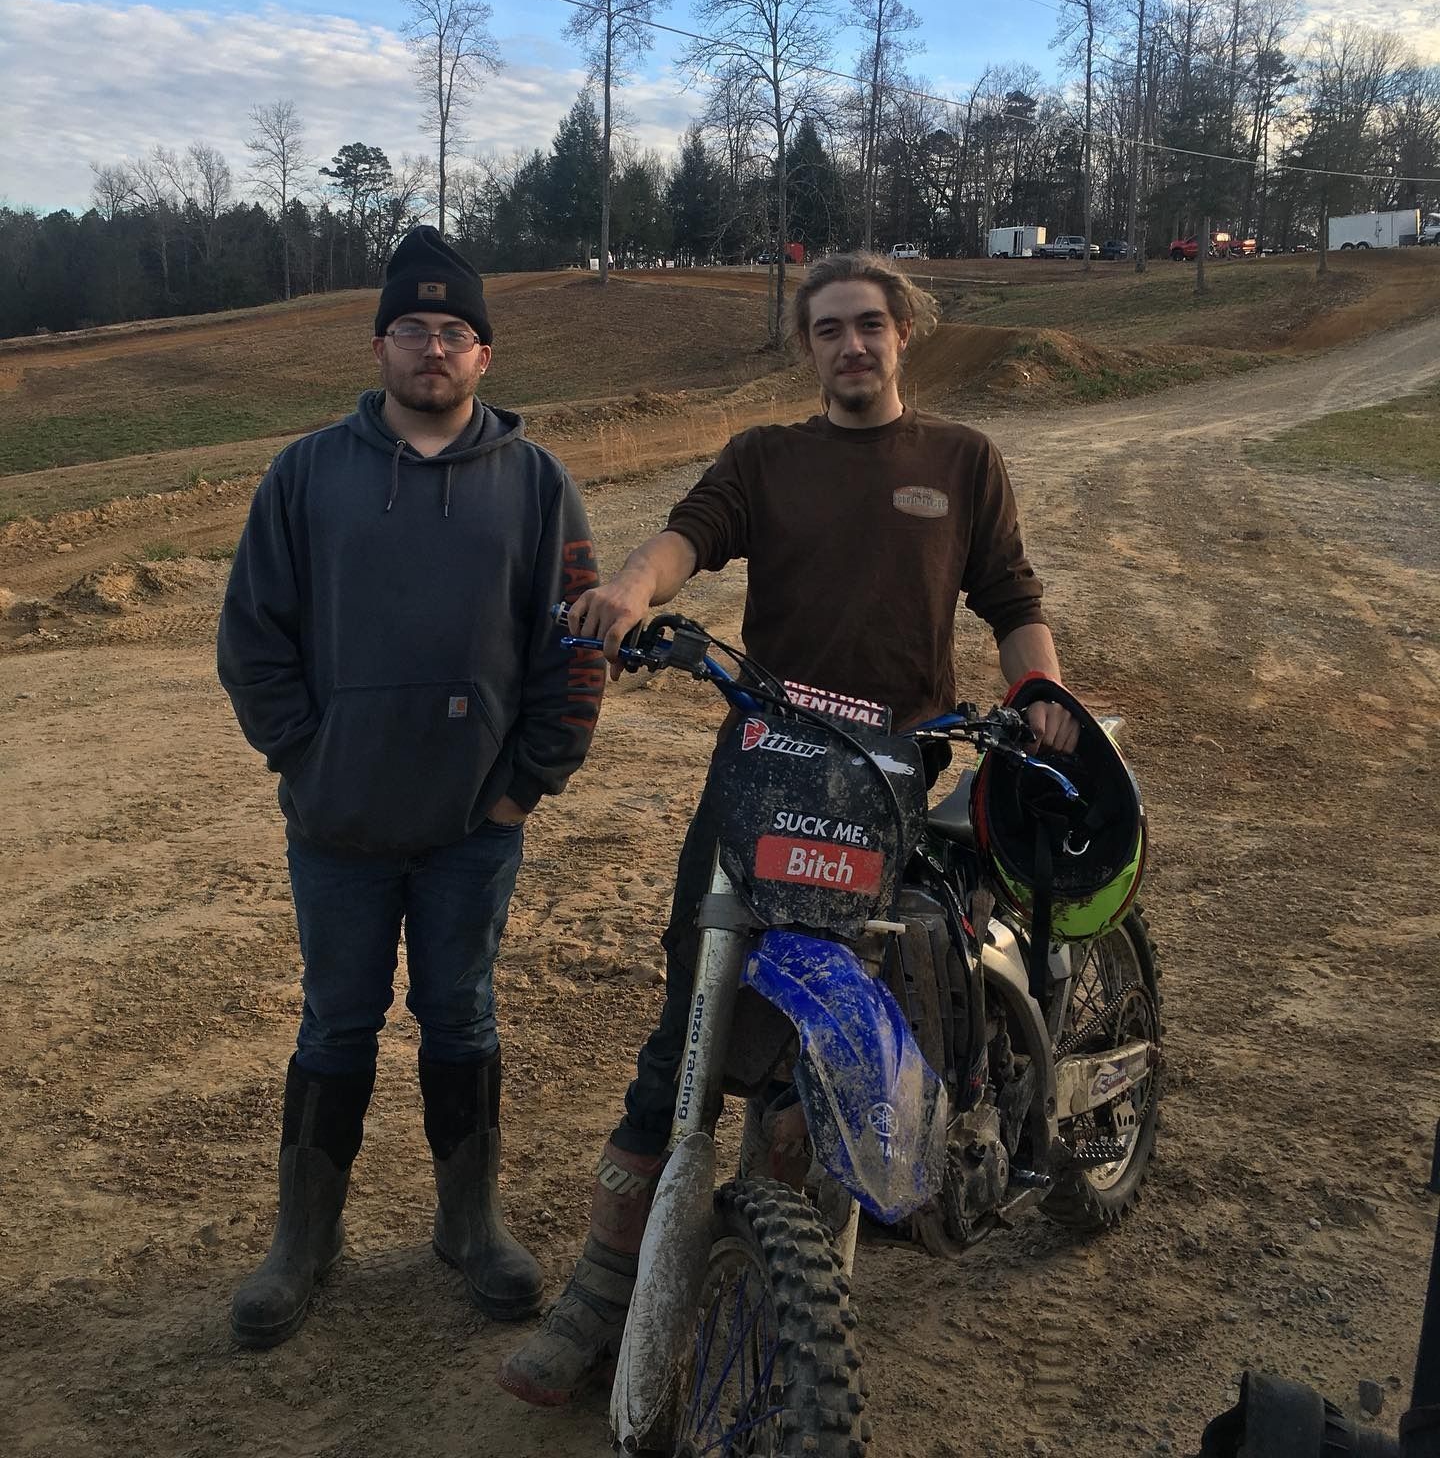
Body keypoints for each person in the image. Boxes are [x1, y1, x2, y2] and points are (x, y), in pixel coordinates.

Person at [499, 250, 1076, 1405]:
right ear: (807, 345)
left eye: (871, 325)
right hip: (762, 771)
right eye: (830, 330)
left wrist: (1043, 700)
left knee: (838, 1029)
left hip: (893, 786)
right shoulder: (766, 458)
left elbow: (1012, 601)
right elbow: (688, 534)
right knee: (690, 1025)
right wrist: (629, 589)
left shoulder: (964, 462)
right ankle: (601, 1298)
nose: (852, 347)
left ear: (903, 333)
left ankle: (774, 1279)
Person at [217, 226, 605, 1348]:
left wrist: (524, 787)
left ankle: (467, 1226)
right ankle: (305, 1241)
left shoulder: (537, 485)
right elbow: (253, 640)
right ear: (379, 341)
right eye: (413, 328)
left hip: (470, 831)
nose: (434, 348)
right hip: (335, 827)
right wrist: (307, 755)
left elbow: (577, 651)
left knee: (461, 1017)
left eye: (456, 332)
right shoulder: (305, 475)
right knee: (335, 1025)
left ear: (485, 355)